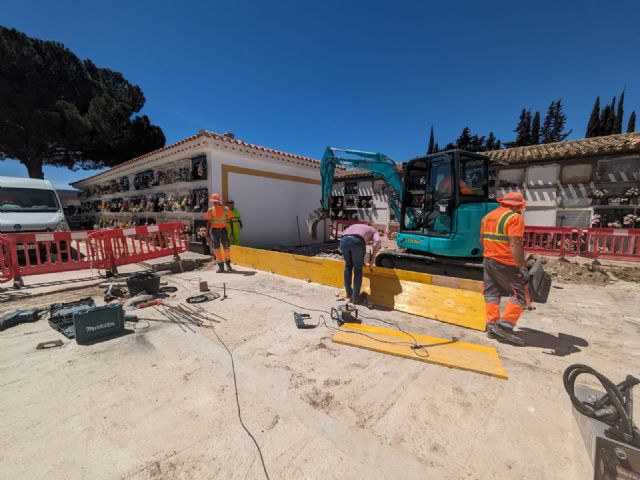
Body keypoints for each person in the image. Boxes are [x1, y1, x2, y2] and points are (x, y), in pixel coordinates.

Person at [480, 192, 529, 343]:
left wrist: (492, 252)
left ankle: (492, 326)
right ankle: (504, 328)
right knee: (521, 295)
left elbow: (481, 239)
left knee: (491, 293)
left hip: (488, 259)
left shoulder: (488, 216)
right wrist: (522, 267)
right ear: (519, 206)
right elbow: (515, 243)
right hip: (504, 262)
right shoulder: (514, 217)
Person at [339, 224, 381, 304]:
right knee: (358, 270)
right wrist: (373, 259)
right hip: (357, 241)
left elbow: (344, 234)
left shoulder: (355, 226)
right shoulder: (374, 231)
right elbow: (378, 241)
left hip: (343, 241)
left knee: (348, 266)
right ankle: (356, 298)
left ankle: (348, 293)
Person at [205, 193, 233, 273]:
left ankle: (228, 265)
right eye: (213, 201)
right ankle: (221, 267)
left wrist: (232, 232)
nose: (214, 202)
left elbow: (230, 220)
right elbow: (209, 222)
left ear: (219, 201)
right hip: (214, 231)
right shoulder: (210, 210)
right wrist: (207, 234)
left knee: (226, 248)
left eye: (215, 201)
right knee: (216, 249)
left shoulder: (226, 209)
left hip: (223, 230)